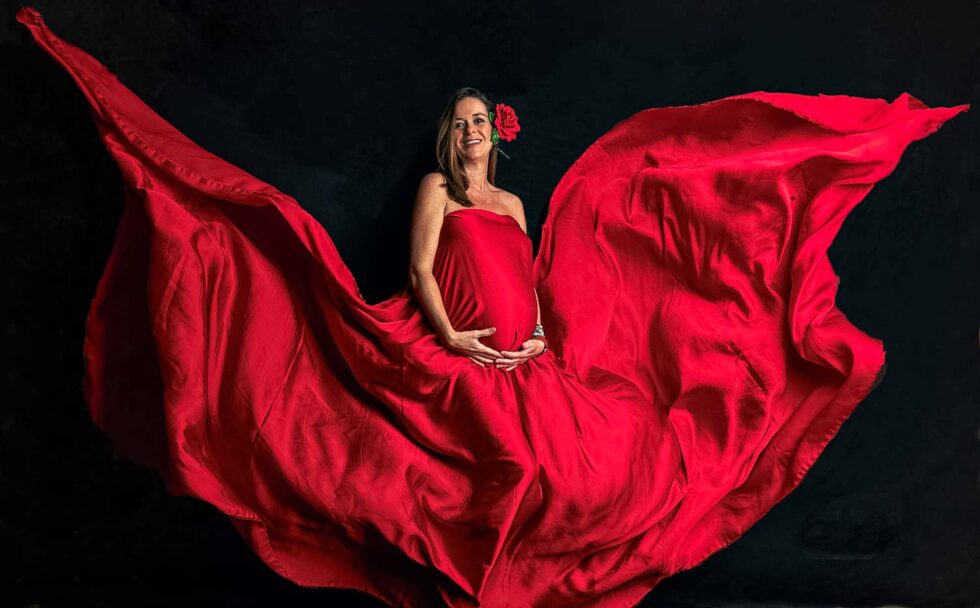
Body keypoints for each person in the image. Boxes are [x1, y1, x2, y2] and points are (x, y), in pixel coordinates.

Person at [16, 7, 968, 608]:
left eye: (481, 123)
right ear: (450, 135)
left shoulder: (513, 203)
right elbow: (426, 272)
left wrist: (543, 334)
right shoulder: (441, 190)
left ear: (494, 136)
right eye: (462, 123)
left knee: (607, 475)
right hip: (461, 348)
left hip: (531, 358)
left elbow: (534, 279)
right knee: (451, 469)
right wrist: (450, 336)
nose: (472, 132)